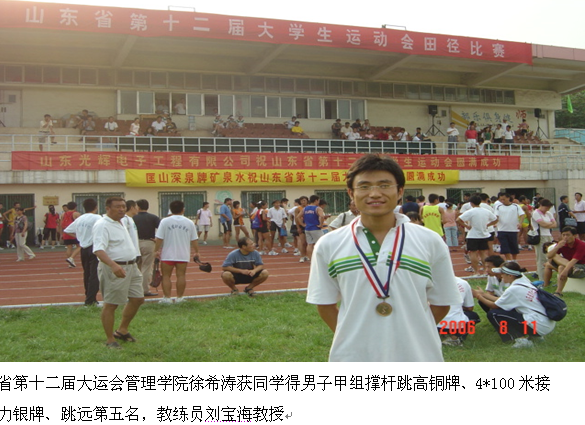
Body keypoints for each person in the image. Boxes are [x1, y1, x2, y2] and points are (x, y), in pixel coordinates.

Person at [306, 154, 460, 362]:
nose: (375, 193)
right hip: (353, 359)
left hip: (418, 357)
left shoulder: (430, 241)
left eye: (384, 185)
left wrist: (413, 332)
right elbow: (324, 305)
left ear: (400, 191)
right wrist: (353, 337)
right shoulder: (329, 244)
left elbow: (442, 303)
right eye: (364, 186)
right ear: (351, 193)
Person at [93, 197, 144, 349]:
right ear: (108, 208)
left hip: (131, 266)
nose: (121, 209)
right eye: (117, 207)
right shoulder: (103, 225)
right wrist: (113, 265)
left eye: (123, 206)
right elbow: (98, 250)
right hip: (115, 268)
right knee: (111, 304)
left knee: (138, 299)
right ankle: (110, 340)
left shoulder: (122, 222)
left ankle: (122, 330)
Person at [472, 261, 555, 348]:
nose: (501, 275)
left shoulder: (513, 289)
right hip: (546, 323)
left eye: (502, 274)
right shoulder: (523, 281)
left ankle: (521, 340)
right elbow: (501, 300)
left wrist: (478, 296)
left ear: (510, 276)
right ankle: (536, 337)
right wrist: (483, 294)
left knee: (494, 314)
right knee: (507, 311)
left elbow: (494, 306)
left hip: (538, 325)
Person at [154, 200, 200, 304]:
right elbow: (194, 239)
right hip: (183, 254)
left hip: (167, 254)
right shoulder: (189, 222)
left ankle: (167, 298)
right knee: (181, 275)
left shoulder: (165, 221)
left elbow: (159, 238)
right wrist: (197, 251)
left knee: (166, 276)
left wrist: (156, 251)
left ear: (170, 209)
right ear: (183, 209)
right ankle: (180, 298)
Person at [64, 198, 102, 306]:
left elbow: (67, 230)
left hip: (84, 248)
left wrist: (80, 237)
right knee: (95, 274)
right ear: (96, 207)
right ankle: (91, 299)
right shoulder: (97, 217)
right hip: (94, 247)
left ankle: (88, 296)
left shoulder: (80, 218)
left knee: (87, 273)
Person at [457, 195, 497, 276]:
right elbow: (495, 219)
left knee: (473, 253)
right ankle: (485, 271)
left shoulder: (470, 211)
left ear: (471, 203)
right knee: (483, 253)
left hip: (473, 235)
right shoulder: (486, 211)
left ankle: (476, 271)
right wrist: (487, 225)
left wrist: (466, 226)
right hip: (484, 234)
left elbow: (458, 219)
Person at [544, 226, 585, 296]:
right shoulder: (562, 244)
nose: (565, 237)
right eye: (563, 235)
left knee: (561, 267)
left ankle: (558, 291)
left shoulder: (581, 245)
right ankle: (558, 292)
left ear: (574, 236)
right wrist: (557, 247)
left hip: (581, 266)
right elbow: (549, 256)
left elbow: (574, 260)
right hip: (571, 266)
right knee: (554, 255)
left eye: (568, 235)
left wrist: (565, 270)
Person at [132, 199, 161, 297]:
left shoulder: (133, 218)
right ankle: (144, 289)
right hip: (149, 243)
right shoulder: (153, 217)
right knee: (147, 267)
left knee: (137, 267)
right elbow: (162, 228)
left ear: (138, 207)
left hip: (135, 243)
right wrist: (157, 238)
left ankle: (135, 289)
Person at [439, 277, 480, 346]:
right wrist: (457, 305)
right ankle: (455, 338)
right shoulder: (463, 283)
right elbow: (469, 308)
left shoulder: (428, 281)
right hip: (456, 325)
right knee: (473, 316)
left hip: (433, 323)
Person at [492, 193, 525, 261]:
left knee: (513, 246)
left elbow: (522, 215)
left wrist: (520, 223)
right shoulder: (498, 207)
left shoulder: (516, 206)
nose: (502, 201)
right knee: (504, 246)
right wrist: (495, 223)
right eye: (501, 200)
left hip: (513, 229)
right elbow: (496, 217)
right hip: (501, 229)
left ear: (508, 198)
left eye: (504, 199)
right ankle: (508, 260)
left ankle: (514, 259)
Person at [531, 199, 556, 279]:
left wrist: (548, 224)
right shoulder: (536, 213)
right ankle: (542, 278)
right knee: (541, 258)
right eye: (546, 208)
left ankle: (547, 277)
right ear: (541, 205)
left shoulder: (548, 213)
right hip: (540, 236)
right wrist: (550, 224)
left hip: (548, 235)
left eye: (548, 208)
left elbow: (555, 224)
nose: (547, 210)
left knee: (550, 257)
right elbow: (542, 224)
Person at [299, 195, 325, 261]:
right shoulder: (318, 208)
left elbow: (298, 217)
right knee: (320, 243)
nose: (319, 202)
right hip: (315, 228)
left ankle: (311, 259)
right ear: (316, 200)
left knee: (310, 244)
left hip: (307, 229)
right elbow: (322, 216)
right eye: (318, 200)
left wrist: (302, 224)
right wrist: (321, 224)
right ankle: (320, 258)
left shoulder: (305, 208)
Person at [61, 201, 81, 267]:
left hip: (66, 232)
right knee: (80, 246)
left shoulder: (63, 214)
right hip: (73, 233)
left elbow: (61, 224)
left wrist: (61, 233)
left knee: (69, 247)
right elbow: (80, 223)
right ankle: (71, 258)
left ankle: (70, 263)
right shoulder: (76, 214)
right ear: (75, 207)